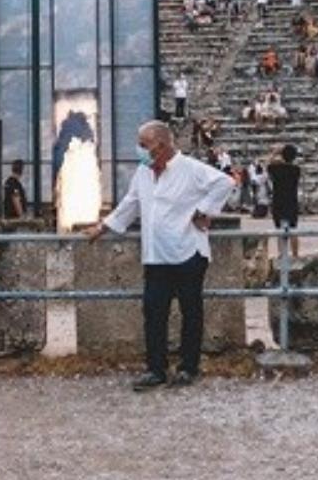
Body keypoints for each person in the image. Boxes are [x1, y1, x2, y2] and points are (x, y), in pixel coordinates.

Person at [81, 120, 234, 390]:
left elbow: (224, 182)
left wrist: (204, 211)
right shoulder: (143, 172)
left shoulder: (190, 168)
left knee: (191, 312)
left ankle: (188, 367)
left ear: (161, 146)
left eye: (144, 145)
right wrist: (103, 227)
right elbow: (131, 203)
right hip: (156, 255)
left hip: (188, 252)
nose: (139, 150)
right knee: (154, 312)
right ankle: (156, 369)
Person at [267, 143, 302, 257]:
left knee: (280, 230)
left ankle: (282, 254)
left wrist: (275, 152)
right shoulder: (296, 170)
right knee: (293, 229)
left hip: (278, 202)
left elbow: (269, 163)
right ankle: (295, 254)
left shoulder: (276, 169)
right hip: (291, 202)